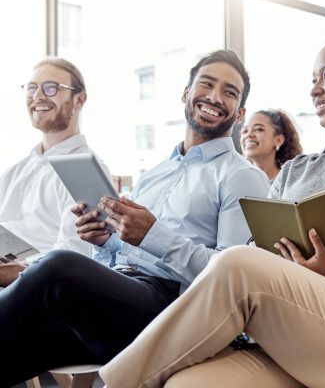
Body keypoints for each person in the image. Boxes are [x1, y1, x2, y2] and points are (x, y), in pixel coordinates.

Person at [99, 31, 325, 388]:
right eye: (313, 80)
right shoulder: (297, 170)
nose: (316, 88)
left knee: (236, 262)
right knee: (188, 383)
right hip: (297, 330)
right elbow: (262, 250)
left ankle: (114, 384)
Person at [0, 50, 270, 386]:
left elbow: (234, 279)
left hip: (172, 307)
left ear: (239, 112)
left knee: (57, 266)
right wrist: (104, 241)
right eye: (207, 84)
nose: (215, 97)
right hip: (121, 300)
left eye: (229, 92)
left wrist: (153, 235)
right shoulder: (154, 175)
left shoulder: (242, 176)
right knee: (15, 351)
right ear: (186, 94)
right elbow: (122, 255)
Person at [0, 58, 106, 287]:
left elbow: (75, 258)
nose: (38, 96)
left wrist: (17, 272)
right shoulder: (14, 172)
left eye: (51, 87)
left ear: (79, 99)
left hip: (37, 291)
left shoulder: (86, 171)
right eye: (32, 87)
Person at [239, 109, 303, 182]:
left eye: (258, 129)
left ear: (278, 140)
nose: (248, 135)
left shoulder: (291, 182)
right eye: (244, 131)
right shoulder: (238, 182)